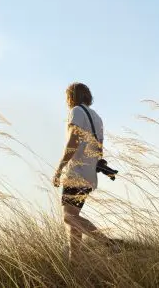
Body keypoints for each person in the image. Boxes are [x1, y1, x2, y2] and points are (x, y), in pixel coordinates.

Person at [52, 82, 118, 260]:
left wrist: (59, 168)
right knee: (74, 219)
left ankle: (108, 243)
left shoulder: (76, 112)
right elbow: (99, 149)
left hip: (77, 171)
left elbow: (73, 142)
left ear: (71, 97)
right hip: (90, 175)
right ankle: (75, 261)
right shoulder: (97, 118)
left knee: (68, 217)